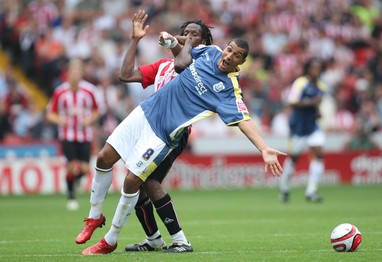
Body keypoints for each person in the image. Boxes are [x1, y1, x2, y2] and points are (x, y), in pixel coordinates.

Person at [80, 9, 286, 256]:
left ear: (241, 63)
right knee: (104, 158)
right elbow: (178, 51)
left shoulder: (228, 90)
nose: (229, 55)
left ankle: (111, 239)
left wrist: (264, 148)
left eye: (236, 55)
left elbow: (244, 120)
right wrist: (162, 37)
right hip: (145, 112)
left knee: (135, 180)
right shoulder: (210, 52)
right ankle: (94, 217)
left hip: (164, 132)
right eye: (229, 49)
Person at [75, 10, 213, 253]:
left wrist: (179, 43)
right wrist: (135, 39)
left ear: (202, 42)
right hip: (147, 121)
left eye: (195, 35)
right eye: (186, 33)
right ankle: (155, 239)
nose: (189, 37)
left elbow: (183, 64)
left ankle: (177, 240)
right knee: (133, 176)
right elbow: (125, 75)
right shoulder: (163, 66)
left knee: (139, 180)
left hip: (172, 132)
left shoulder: (203, 66)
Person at [46, 58, 100, 210]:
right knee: (70, 166)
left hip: (85, 135)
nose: (75, 75)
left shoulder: (90, 91)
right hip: (67, 135)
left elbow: (97, 111)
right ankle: (71, 196)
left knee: (84, 169)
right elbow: (50, 114)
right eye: (72, 72)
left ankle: (73, 181)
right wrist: (60, 120)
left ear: (81, 74)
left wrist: (89, 120)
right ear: (67, 74)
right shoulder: (60, 92)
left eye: (77, 72)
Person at [279, 57, 328, 203]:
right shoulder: (301, 83)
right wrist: (312, 103)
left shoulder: (322, 87)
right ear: (308, 69)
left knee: (318, 153)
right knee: (294, 157)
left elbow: (316, 106)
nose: (316, 71)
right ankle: (284, 187)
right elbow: (292, 102)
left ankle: (311, 191)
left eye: (318, 68)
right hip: (298, 127)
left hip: (312, 126)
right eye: (313, 68)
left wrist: (317, 111)